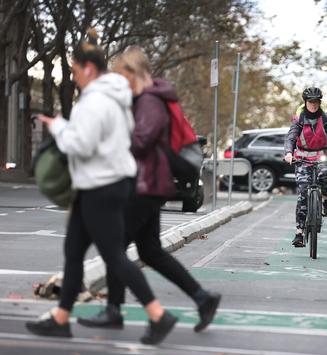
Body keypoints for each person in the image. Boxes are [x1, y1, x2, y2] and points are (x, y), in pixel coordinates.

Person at [27, 31, 176, 345]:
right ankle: (61, 318)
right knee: (73, 252)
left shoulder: (96, 100)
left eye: (75, 70)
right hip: (102, 184)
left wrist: (57, 127)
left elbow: (81, 144)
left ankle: (158, 314)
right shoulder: (116, 98)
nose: (74, 76)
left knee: (114, 256)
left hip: (101, 187)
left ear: (89, 69)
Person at [76, 47, 221, 333]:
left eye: (121, 75)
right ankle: (202, 298)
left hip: (145, 185)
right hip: (150, 183)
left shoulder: (150, 101)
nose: (119, 81)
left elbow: (141, 142)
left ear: (133, 72)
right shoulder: (145, 99)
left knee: (115, 249)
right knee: (151, 251)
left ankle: (116, 311)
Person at [284, 87, 327, 247]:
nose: (313, 104)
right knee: (303, 193)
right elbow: (290, 138)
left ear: (320, 102)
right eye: (310, 101)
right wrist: (289, 153)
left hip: (322, 155)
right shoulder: (299, 119)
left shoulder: (326, 118)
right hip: (302, 158)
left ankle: (325, 200)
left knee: (324, 177)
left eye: (316, 101)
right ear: (305, 102)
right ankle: (299, 233)